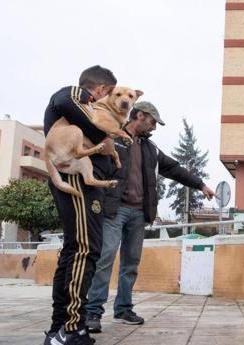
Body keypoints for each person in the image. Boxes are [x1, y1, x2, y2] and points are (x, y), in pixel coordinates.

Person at [85, 101, 215, 333]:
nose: (154, 127)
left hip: (139, 213)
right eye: (153, 122)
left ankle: (123, 309)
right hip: (113, 210)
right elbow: (94, 165)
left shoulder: (151, 148)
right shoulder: (112, 139)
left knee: (131, 264)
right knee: (105, 259)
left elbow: (174, 169)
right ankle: (92, 312)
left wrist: (200, 184)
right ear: (140, 116)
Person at [43, 65, 118, 345]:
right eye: (109, 94)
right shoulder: (75, 95)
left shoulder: (85, 113)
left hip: (80, 179)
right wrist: (102, 138)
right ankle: (71, 328)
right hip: (76, 178)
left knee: (75, 249)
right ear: (99, 90)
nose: (109, 101)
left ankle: (59, 328)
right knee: (85, 249)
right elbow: (63, 98)